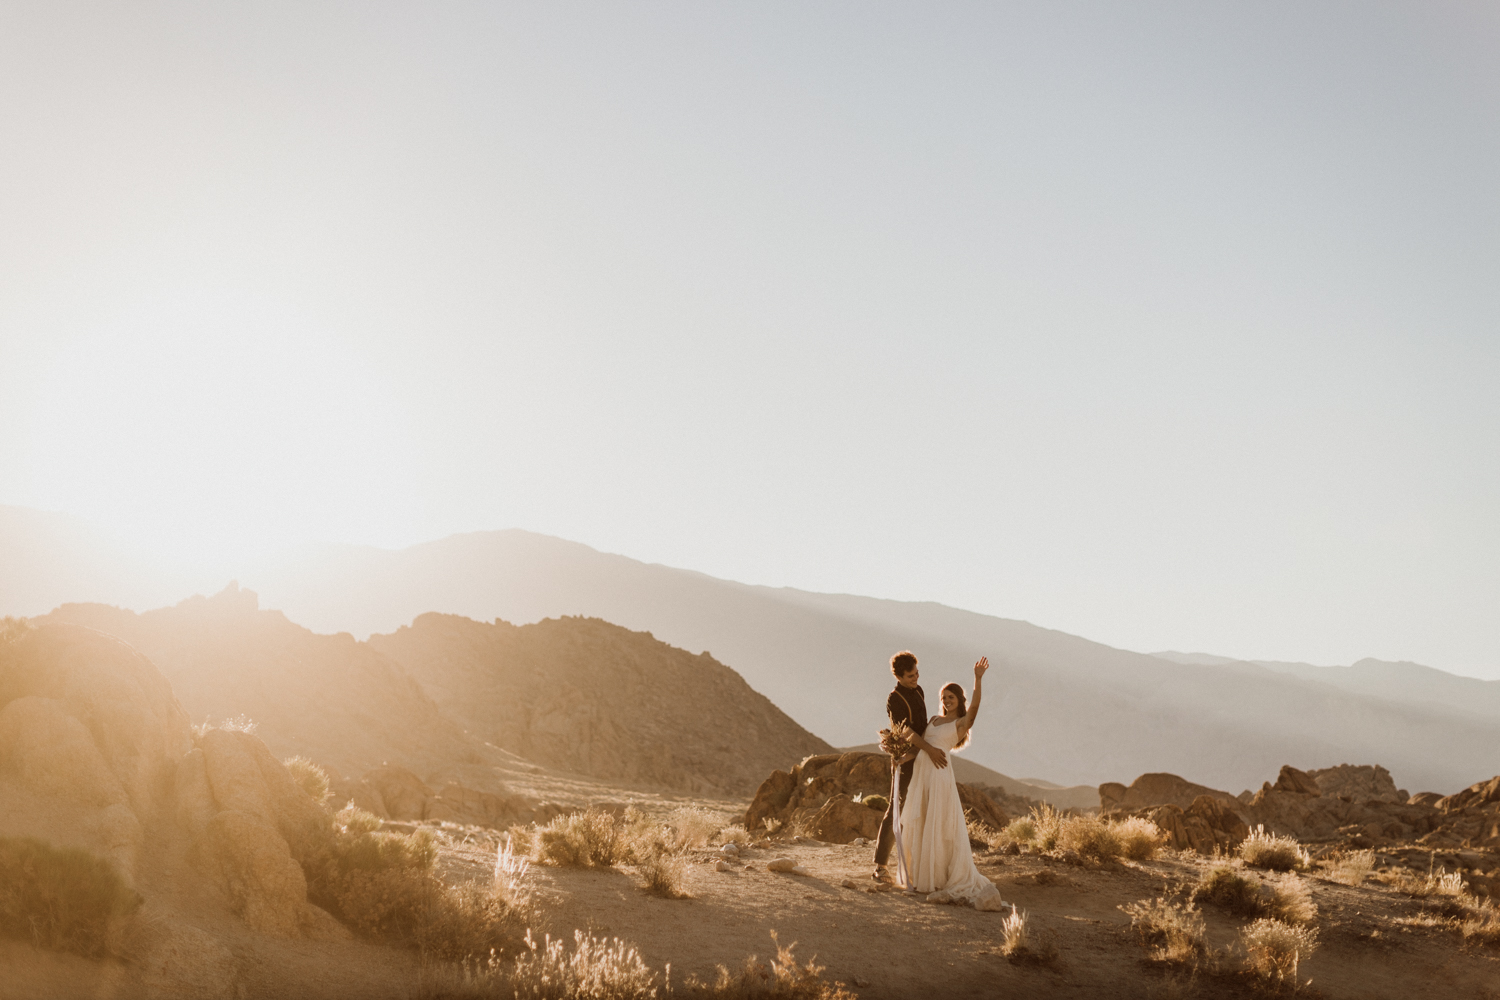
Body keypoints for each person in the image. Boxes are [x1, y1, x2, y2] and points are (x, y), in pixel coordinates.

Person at [891, 656, 1007, 910]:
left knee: (938, 823)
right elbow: (921, 745)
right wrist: (901, 758)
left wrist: (977, 679)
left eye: (951, 698)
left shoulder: (960, 724)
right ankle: (922, 878)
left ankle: (938, 877)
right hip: (922, 774)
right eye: (944, 698)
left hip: (939, 775)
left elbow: (974, 709)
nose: (946, 701)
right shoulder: (933, 720)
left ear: (959, 700)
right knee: (921, 821)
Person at [872, 650, 950, 884]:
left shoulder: (918, 690)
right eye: (909, 676)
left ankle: (921, 866)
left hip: (922, 754)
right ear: (898, 676)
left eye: (916, 673)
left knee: (924, 807)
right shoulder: (894, 699)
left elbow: (922, 725)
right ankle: (880, 867)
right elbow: (906, 732)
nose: (915, 678)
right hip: (905, 758)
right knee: (896, 808)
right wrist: (925, 749)